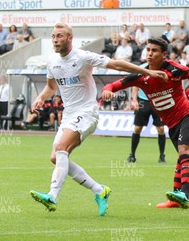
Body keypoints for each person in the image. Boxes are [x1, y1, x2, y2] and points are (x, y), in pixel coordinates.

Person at [29, 23, 167, 215]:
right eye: (53, 36)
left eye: (59, 36)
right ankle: (100, 190)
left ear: (70, 38)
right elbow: (51, 87)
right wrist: (40, 98)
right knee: (56, 157)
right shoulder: (52, 62)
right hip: (69, 115)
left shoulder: (83, 57)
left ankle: (52, 196)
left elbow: (116, 64)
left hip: (87, 112)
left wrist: (148, 71)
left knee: (61, 150)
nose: (55, 40)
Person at [102, 37, 189, 208]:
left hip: (186, 115)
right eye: (148, 50)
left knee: (184, 150)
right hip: (171, 124)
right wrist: (106, 91)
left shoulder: (174, 69)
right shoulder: (141, 75)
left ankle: (185, 194)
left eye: (154, 50)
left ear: (164, 54)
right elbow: (113, 85)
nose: (149, 53)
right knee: (182, 157)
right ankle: (176, 199)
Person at [125, 87, 166, 164]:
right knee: (137, 128)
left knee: (161, 128)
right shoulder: (142, 74)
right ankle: (132, 155)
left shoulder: (159, 74)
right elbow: (135, 86)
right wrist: (134, 100)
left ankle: (161, 156)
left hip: (157, 100)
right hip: (143, 101)